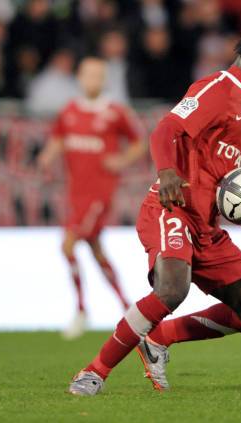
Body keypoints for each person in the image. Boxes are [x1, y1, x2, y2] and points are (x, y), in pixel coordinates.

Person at [68, 18, 241, 395]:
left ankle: (159, 338)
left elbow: (213, 169)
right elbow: (166, 129)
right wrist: (169, 172)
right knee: (173, 289)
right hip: (170, 207)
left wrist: (233, 197)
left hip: (206, 225)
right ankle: (93, 372)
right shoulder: (219, 88)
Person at [38, 57, 147, 339]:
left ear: (104, 80)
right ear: (79, 78)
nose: (92, 81)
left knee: (68, 245)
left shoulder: (115, 112)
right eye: (87, 75)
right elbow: (59, 138)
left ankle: (81, 310)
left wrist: (122, 161)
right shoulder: (69, 111)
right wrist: (48, 156)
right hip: (76, 193)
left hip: (100, 193)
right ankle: (127, 307)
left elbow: (139, 141)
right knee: (96, 250)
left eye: (98, 76)